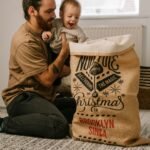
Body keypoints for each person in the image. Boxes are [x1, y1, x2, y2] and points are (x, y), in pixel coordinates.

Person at [0, 0, 76, 139]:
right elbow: (47, 80)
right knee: (58, 125)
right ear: (32, 11)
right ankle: (4, 123)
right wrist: (63, 53)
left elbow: (66, 70)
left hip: (43, 95)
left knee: (81, 106)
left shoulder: (48, 31)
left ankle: (36, 117)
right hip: (21, 98)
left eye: (54, 10)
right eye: (48, 11)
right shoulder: (25, 41)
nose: (54, 15)